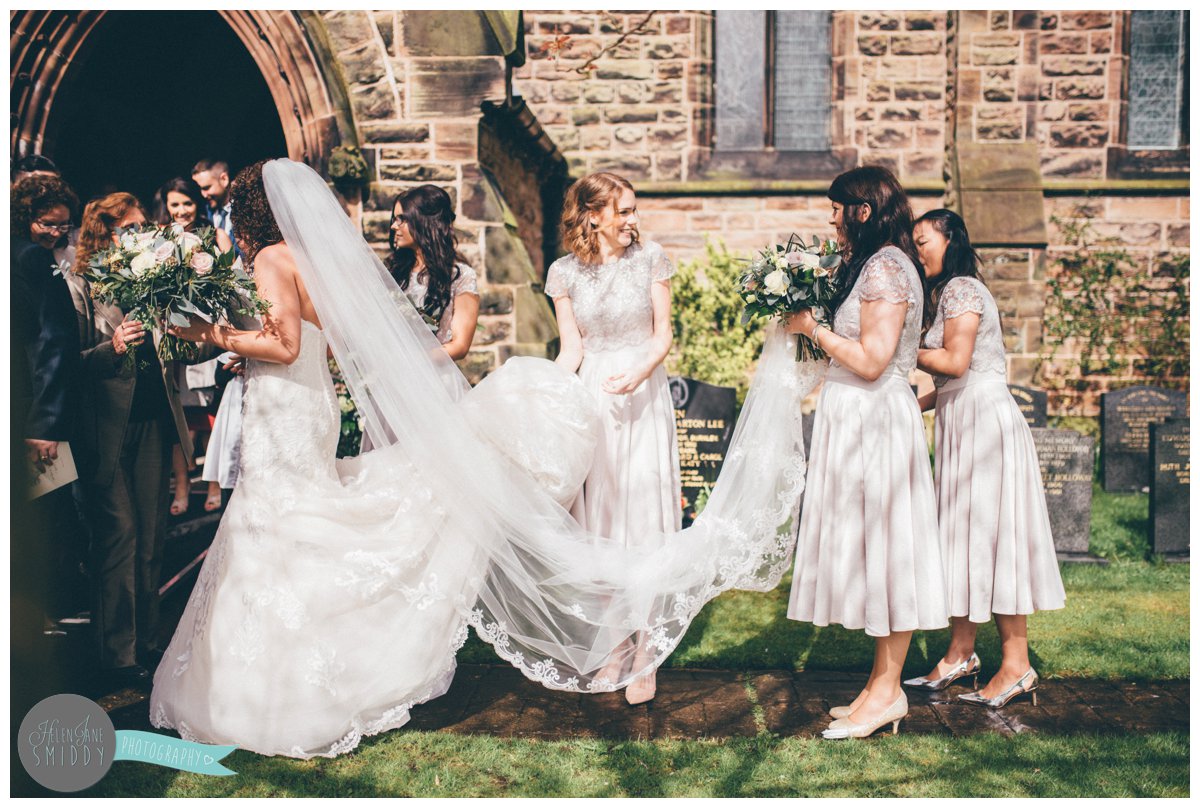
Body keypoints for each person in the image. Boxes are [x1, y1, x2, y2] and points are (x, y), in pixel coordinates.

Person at [150, 158, 822, 759]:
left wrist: (207, 334)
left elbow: (290, 344)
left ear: (246, 214)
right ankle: (296, 669)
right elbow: (320, 344)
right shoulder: (308, 260)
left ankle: (268, 684)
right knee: (295, 529)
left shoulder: (271, 259)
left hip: (288, 414)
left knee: (282, 529)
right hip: (307, 410)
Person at [785, 165, 948, 739]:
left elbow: (875, 359)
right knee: (873, 553)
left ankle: (887, 693)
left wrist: (813, 327)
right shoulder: (876, 264)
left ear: (861, 209)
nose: (829, 217)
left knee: (888, 551)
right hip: (856, 418)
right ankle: (878, 686)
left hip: (875, 421)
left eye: (836, 207)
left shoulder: (884, 266)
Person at [905, 209, 1065, 707]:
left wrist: (895, 344)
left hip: (984, 429)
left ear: (950, 239)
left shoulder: (961, 289)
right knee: (963, 538)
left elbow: (953, 361)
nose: (917, 249)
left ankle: (1016, 665)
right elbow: (957, 377)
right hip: (962, 420)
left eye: (923, 240)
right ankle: (960, 653)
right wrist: (914, 405)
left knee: (994, 538)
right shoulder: (948, 292)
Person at [544, 172, 680, 705]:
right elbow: (570, 349)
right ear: (591, 215)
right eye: (622, 211)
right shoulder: (563, 273)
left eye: (634, 209)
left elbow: (664, 333)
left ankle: (647, 654)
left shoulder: (652, 259)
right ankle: (618, 644)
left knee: (642, 519)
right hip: (592, 399)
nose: (632, 220)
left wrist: (642, 369)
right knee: (599, 521)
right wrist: (549, 395)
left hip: (643, 398)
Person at [67, 192, 196, 689]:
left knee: (151, 535)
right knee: (119, 534)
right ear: (107, 231)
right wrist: (113, 345)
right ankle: (115, 652)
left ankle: (146, 642)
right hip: (105, 425)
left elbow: (177, 349)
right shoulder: (80, 284)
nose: (145, 234)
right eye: (134, 227)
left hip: (152, 418)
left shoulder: (150, 281)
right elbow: (70, 362)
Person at [11, 175, 83, 625]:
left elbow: (53, 342)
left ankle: (49, 609)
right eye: (48, 224)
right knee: (45, 516)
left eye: (63, 226)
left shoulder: (32, 257)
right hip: (31, 407)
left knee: (50, 511)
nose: (57, 234)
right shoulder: (29, 258)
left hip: (35, 411)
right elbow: (48, 341)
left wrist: (45, 423)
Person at [151, 176, 233, 514]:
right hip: (172, 329)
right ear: (166, 207)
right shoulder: (155, 241)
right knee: (178, 414)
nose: (182, 210)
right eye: (175, 204)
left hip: (208, 326)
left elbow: (231, 281)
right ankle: (182, 485)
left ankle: (212, 481)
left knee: (210, 410)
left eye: (187, 203)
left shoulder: (214, 235)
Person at [388, 185, 479, 359]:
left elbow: (460, 345)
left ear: (423, 222)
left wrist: (411, 360)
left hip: (435, 375)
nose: (393, 226)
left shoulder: (461, 277)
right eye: (394, 219)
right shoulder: (392, 272)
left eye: (401, 219)